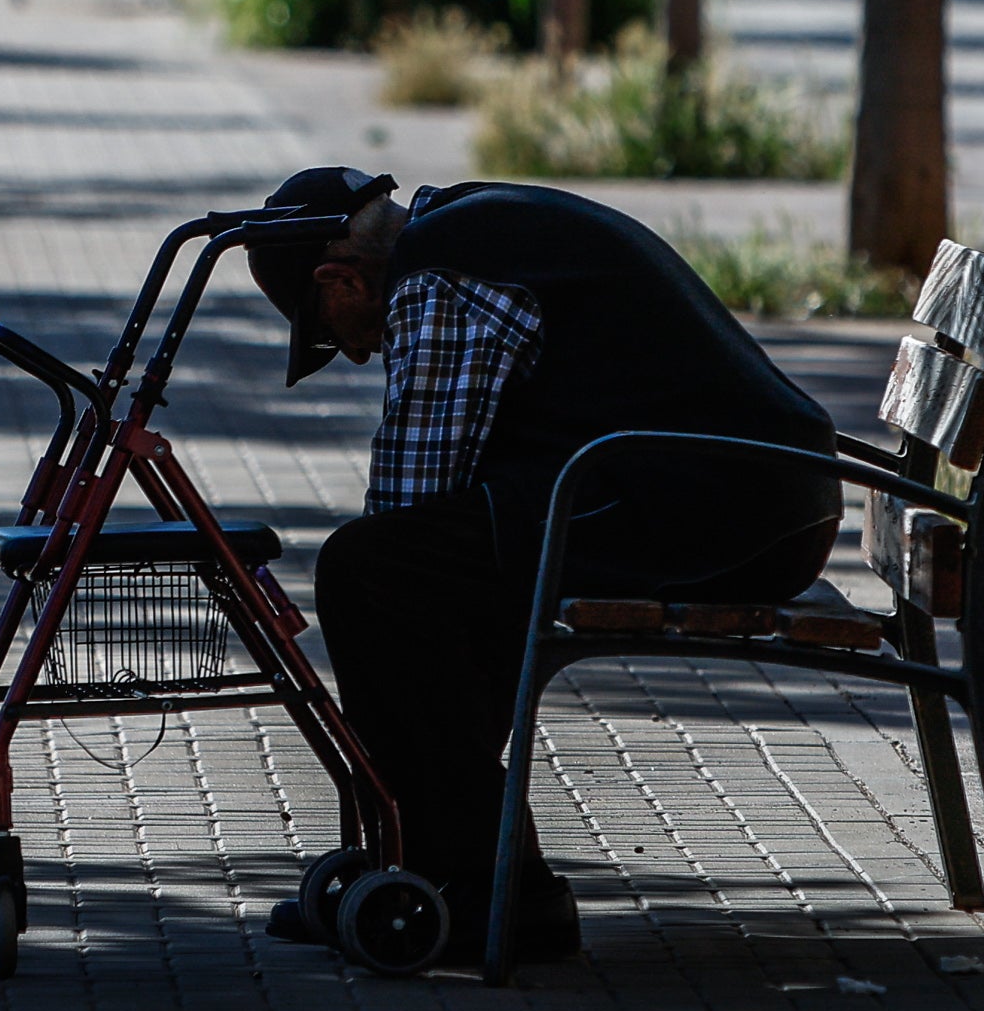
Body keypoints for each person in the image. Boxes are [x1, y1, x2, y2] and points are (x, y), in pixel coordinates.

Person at [245, 166, 843, 961]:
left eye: (334, 330)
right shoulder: (467, 223)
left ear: (339, 275)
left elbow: (412, 495)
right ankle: (452, 866)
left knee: (371, 569)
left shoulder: (442, 275)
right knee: (429, 564)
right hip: (749, 493)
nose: (359, 351)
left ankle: (476, 882)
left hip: (727, 507)